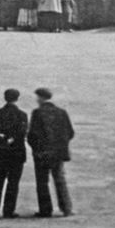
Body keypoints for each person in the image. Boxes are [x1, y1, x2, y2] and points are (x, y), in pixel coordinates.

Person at [26, 88, 74, 218]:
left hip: (42, 153)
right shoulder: (62, 112)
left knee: (42, 182)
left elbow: (32, 135)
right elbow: (70, 132)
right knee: (60, 180)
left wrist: (36, 149)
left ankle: (45, 210)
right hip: (58, 153)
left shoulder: (37, 113)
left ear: (41, 98)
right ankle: (66, 209)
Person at [0, 88, 28, 218]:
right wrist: (11, 139)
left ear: (5, 97)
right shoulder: (22, 115)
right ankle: (8, 211)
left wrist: (1, 139)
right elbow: (23, 133)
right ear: (17, 98)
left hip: (0, 152)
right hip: (16, 153)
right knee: (13, 183)